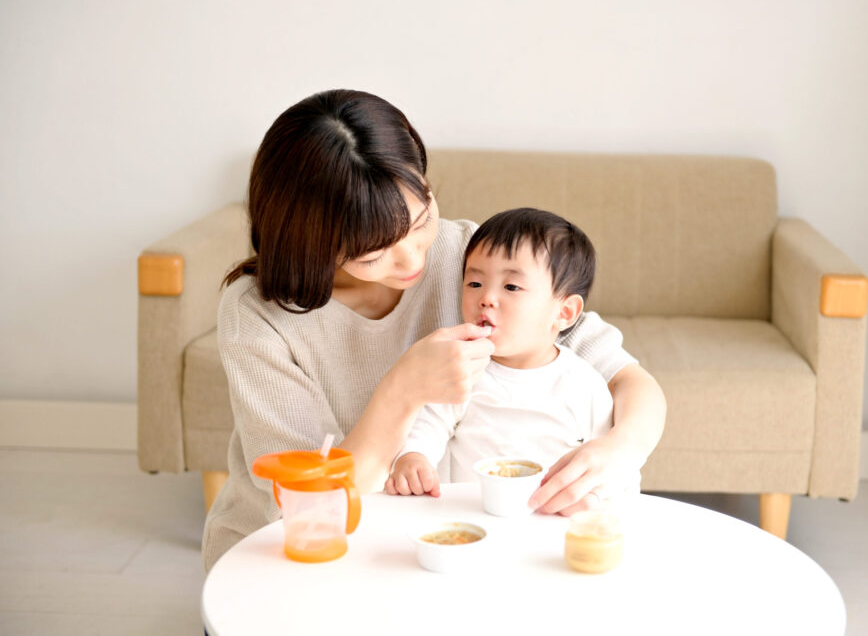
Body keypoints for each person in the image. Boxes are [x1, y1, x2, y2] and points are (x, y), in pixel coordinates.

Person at [201, 89, 666, 572]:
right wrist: (402, 390)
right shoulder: (258, 315)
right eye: (374, 252)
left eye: (421, 219)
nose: (413, 258)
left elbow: (627, 379)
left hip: (428, 543)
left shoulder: (470, 255)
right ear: (311, 243)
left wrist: (620, 449)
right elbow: (311, 503)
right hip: (292, 553)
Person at [386, 208, 642, 499]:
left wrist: (603, 498)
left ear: (565, 312)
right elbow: (427, 424)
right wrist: (413, 459)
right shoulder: (460, 368)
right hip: (471, 516)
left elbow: (616, 468)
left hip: (553, 519)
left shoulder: (584, 383)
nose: (486, 299)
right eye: (474, 283)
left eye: (511, 286)